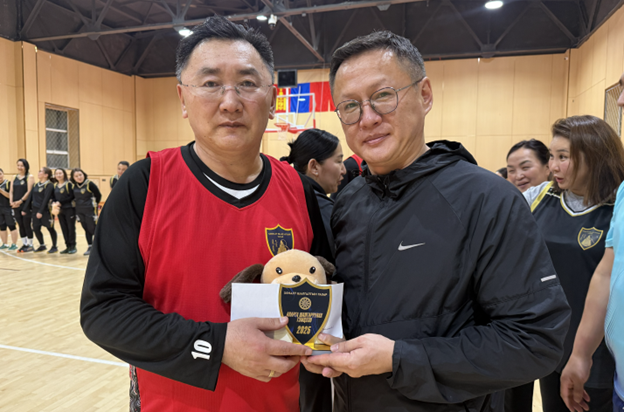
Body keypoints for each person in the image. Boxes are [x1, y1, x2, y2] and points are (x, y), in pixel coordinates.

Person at [302, 30, 570, 412]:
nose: (368, 118)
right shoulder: (348, 203)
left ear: (425, 95)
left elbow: (535, 341)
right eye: (350, 106)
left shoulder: (487, 199)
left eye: (383, 96)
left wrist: (399, 358)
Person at [80, 16, 333, 412]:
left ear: (272, 99)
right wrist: (217, 346)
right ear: (183, 98)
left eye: (247, 83)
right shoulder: (144, 184)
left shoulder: (302, 192)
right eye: (211, 83)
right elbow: (103, 311)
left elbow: (326, 302)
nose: (230, 102)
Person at [521, 115, 624, 412]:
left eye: (563, 157)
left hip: (601, 353)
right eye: (551, 156)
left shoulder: (617, 206)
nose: (553, 166)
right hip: (551, 343)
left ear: (594, 156)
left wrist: (583, 353)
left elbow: (606, 278)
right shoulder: (539, 197)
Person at [560, 72, 624, 412]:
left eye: (564, 156)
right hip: (613, 377)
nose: (620, 101)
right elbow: (606, 273)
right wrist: (580, 353)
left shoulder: (611, 202)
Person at [281, 128, 346, 255]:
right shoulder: (323, 208)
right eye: (339, 161)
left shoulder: (285, 199)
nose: (344, 170)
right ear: (314, 167)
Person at [24, 166, 58, 253]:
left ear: (46, 175)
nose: (38, 173)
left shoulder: (49, 185)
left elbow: (46, 199)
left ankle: (54, 246)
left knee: (50, 228)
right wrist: (24, 209)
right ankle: (42, 245)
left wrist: (40, 211)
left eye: (40, 171)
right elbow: (30, 197)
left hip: (45, 211)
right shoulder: (35, 185)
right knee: (35, 228)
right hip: (35, 210)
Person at [71, 168, 101, 256]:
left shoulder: (89, 184)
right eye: (76, 176)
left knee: (93, 228)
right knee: (86, 228)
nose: (79, 177)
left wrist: (94, 204)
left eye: (80, 175)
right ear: (73, 178)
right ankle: (90, 246)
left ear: (83, 174)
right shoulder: (74, 186)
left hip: (90, 209)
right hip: (79, 210)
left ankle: (99, 246)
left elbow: (98, 195)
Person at [9, 159, 34, 252]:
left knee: (26, 224)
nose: (19, 167)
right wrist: (11, 202)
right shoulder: (14, 177)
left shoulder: (29, 177)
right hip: (15, 205)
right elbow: (11, 191)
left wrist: (20, 201)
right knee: (20, 225)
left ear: (26, 166)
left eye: (22, 165)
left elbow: (29, 191)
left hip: (25, 205)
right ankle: (24, 244)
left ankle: (30, 245)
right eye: (18, 165)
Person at [53, 168, 76, 254]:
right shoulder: (55, 185)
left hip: (69, 209)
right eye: (57, 173)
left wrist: (61, 202)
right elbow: (53, 197)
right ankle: (67, 246)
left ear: (64, 174)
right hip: (60, 210)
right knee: (64, 228)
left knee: (70, 228)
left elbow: (71, 196)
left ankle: (73, 246)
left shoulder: (68, 184)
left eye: (60, 173)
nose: (58, 175)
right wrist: (54, 202)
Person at [0, 168, 19, 250]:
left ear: (3, 174)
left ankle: (14, 244)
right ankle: (5, 244)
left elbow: (11, 196)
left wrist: (1, 191)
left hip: (8, 208)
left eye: (0, 174)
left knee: (12, 226)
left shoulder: (8, 183)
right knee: (2, 226)